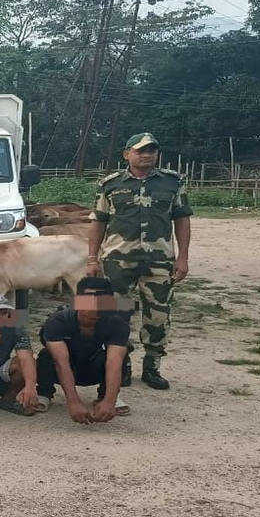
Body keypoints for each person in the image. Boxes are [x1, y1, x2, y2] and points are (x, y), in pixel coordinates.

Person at [88, 132, 193, 390]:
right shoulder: (110, 185)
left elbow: (182, 219)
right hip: (117, 262)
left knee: (158, 315)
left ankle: (152, 367)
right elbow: (98, 222)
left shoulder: (172, 183)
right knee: (116, 315)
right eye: (140, 150)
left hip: (158, 261)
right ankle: (120, 366)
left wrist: (183, 257)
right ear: (127, 154)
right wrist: (92, 258)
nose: (146, 154)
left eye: (151, 150)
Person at [35, 277, 132, 424]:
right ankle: (45, 393)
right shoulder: (57, 321)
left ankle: (105, 396)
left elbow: (114, 364)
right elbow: (62, 363)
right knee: (47, 355)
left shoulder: (118, 323)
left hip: (95, 367)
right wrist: (73, 402)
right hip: (69, 367)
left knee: (122, 357)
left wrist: (109, 401)